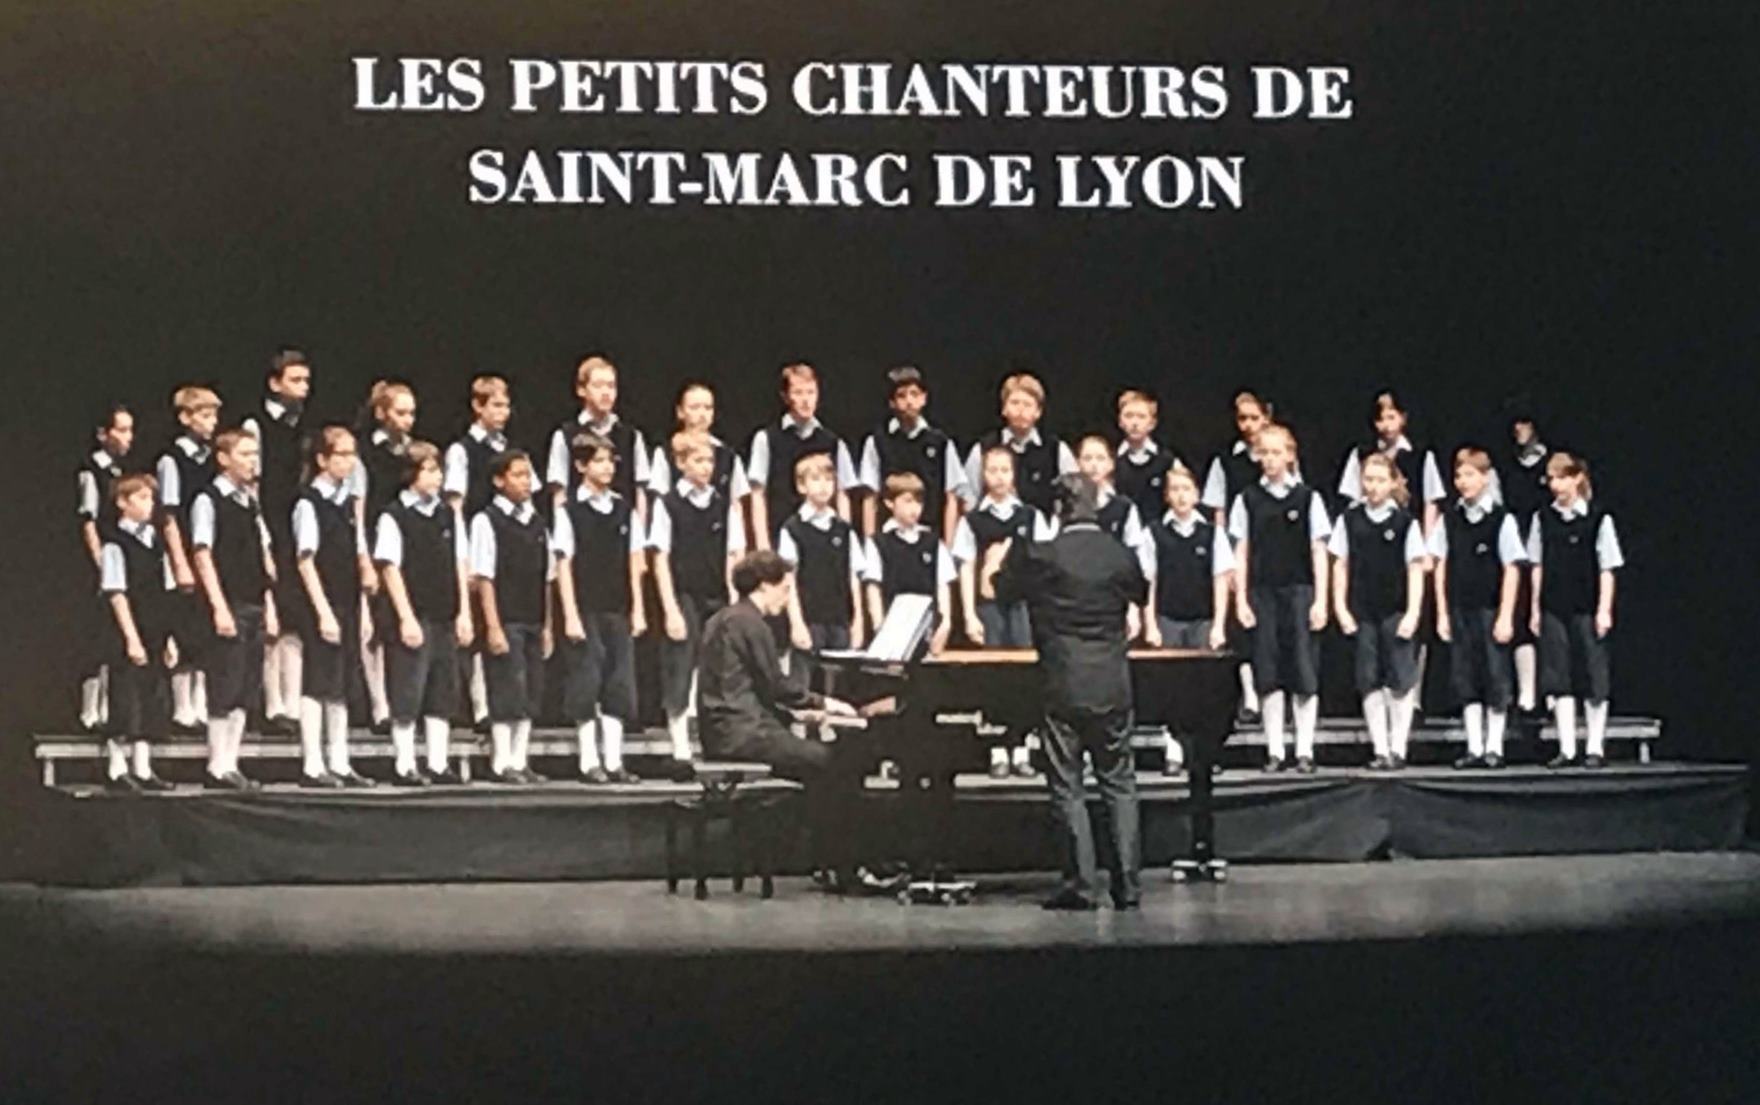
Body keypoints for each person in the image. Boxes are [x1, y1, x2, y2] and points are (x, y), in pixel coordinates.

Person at [992, 473, 1148, 911]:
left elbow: (1003, 594)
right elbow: (1140, 593)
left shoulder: (1041, 554)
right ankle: (1128, 886)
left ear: (1059, 508)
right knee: (1120, 783)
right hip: (1112, 682)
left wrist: (1000, 562)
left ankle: (1080, 885)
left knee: (1068, 785)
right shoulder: (1120, 554)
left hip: (1062, 683)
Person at [696, 550, 872, 891]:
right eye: (785, 588)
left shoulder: (721, 619)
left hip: (725, 730)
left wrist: (797, 714)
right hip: (745, 733)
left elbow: (746, 686)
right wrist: (826, 702)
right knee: (835, 764)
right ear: (764, 585)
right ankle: (846, 866)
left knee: (821, 766)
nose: (787, 597)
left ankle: (829, 862)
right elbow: (775, 685)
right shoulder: (750, 623)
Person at [1229, 423, 1330, 773]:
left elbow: (1319, 550)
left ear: (1290, 455)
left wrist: (1321, 600)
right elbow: (1241, 550)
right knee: (1268, 673)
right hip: (1262, 593)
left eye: (1277, 452)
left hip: (1300, 591)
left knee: (1303, 673)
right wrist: (1241, 599)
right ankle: (1274, 750)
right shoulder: (1247, 499)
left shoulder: (1307, 498)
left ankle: (1304, 750)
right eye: (1265, 453)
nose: (1271, 459)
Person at [375, 442, 474, 785]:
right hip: (414, 614)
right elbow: (390, 568)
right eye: (430, 470)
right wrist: (405, 616)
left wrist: (464, 611)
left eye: (439, 470)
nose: (437, 477)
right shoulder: (394, 515)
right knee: (408, 689)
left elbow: (459, 562)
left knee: (442, 691)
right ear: (410, 474)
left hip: (444, 612)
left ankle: (437, 763)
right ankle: (404, 764)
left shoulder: (448, 514)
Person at [552, 431, 648, 783]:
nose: (607, 468)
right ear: (581, 466)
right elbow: (563, 564)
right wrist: (570, 613)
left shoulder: (624, 509)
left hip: (617, 606)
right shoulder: (570, 512)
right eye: (599, 461)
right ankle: (588, 760)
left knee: (618, 683)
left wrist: (638, 607)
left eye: (611, 461)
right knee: (587, 680)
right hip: (586, 607)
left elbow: (635, 560)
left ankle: (614, 760)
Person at [950, 444, 1051, 777]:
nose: (999, 477)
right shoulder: (973, 521)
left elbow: (1044, 564)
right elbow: (965, 567)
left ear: (1014, 474)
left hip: (1023, 607)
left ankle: (1021, 749)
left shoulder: (1030, 517)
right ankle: (997, 751)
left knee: (1024, 677)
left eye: (1005, 470)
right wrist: (969, 614)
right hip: (989, 607)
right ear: (983, 475)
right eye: (992, 470)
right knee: (993, 678)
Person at [649, 432, 746, 768]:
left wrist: (734, 598)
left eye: (709, 461)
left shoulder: (722, 505)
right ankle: (680, 747)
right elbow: (660, 557)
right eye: (698, 460)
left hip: (715, 595)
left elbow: (734, 553)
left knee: (715, 669)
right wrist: (670, 608)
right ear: (681, 463)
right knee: (680, 666)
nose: (706, 467)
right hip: (684, 594)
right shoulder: (668, 505)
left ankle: (711, 740)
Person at [189, 428, 279, 791]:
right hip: (229, 602)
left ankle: (231, 762)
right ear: (223, 458)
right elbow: (203, 553)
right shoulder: (209, 500)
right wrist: (218, 606)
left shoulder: (250, 502)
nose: (252, 461)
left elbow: (262, 559)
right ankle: (216, 766)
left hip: (253, 602)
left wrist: (269, 605)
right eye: (244, 454)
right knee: (225, 683)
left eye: (255, 454)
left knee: (245, 686)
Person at [1329, 453, 1427, 770]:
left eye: (1380, 480)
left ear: (1393, 483)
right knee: (1368, 680)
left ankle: (1399, 748)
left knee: (1399, 680)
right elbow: (1340, 565)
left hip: (1395, 610)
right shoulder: (1349, 520)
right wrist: (1341, 607)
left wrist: (1413, 612)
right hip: (1362, 611)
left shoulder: (1405, 523)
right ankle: (1380, 748)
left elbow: (1415, 569)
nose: (1373, 486)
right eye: (1368, 479)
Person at [290, 425, 374, 788]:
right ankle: (312, 763)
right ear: (323, 460)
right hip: (320, 603)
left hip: (346, 599)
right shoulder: (309, 503)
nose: (349, 462)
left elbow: (356, 549)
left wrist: (362, 601)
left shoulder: (347, 502)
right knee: (318, 681)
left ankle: (339, 761)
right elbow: (305, 560)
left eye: (353, 454)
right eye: (342, 454)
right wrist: (323, 612)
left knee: (340, 684)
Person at [1432, 448, 1526, 769]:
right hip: (1460, 608)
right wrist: (1442, 612)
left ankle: (1494, 747)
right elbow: (1441, 564)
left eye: (1470, 475)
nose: (1463, 481)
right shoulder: (1449, 519)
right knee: (1465, 678)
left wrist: (1505, 614)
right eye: (1459, 475)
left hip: (1490, 609)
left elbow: (1512, 568)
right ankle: (1474, 746)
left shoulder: (1501, 519)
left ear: (1485, 478)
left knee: (1495, 676)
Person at [1528, 452, 1623, 768]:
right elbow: (1537, 565)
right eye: (1551, 478)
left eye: (1561, 478)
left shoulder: (1597, 518)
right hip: (1554, 607)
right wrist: (1535, 608)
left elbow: (1607, 567)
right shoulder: (1543, 518)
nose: (1555, 485)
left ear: (1577, 478)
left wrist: (1604, 609)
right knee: (1559, 678)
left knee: (1593, 677)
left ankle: (1595, 746)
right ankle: (1567, 748)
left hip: (1586, 607)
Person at [1141, 461, 1233, 774]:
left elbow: (1221, 580)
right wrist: (1151, 624)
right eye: (1175, 490)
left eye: (1186, 489)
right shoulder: (1154, 533)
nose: (1181, 496)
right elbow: (1149, 581)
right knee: (1170, 688)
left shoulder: (1212, 534)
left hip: (1202, 620)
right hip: (1168, 619)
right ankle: (1174, 753)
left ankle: (1205, 753)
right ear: (1167, 496)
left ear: (1196, 495)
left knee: (1204, 689)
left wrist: (1219, 625)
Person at [469, 449, 554, 784]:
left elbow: (547, 577)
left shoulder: (537, 522)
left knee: (530, 691)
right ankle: (501, 761)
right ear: (499, 480)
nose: (525, 482)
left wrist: (547, 625)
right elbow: (484, 576)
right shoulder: (487, 520)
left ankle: (520, 759)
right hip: (506, 617)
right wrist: (493, 626)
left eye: (528, 475)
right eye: (517, 475)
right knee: (507, 690)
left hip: (533, 616)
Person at [242, 348, 313, 738]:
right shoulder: (257, 426)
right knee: (273, 616)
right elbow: (253, 483)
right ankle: (272, 704)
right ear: (274, 383)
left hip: (296, 526)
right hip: (269, 524)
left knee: (296, 616)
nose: (303, 388)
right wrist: (261, 533)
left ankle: (293, 702)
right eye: (295, 380)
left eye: (306, 381)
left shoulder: (303, 427)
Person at [97, 473, 177, 791]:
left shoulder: (155, 541)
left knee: (150, 696)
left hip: (154, 626)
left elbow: (165, 590)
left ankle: (143, 768)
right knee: (125, 697)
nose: (149, 504)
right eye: (141, 498)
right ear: (122, 502)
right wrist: (131, 638)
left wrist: (168, 638)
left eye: (151, 498)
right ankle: (117, 768)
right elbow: (116, 592)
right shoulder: (115, 543)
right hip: (127, 629)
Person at [445, 374, 513, 728]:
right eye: (496, 405)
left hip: (505, 542)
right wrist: (463, 553)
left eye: (506, 405)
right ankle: (477, 704)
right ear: (478, 406)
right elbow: (456, 505)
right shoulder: (462, 451)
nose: (503, 412)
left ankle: (496, 700)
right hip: (474, 541)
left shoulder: (506, 448)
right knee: (471, 625)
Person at [156, 385, 221, 734]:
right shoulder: (172, 460)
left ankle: (200, 703)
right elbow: (168, 514)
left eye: (214, 416)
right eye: (205, 415)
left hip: (205, 549)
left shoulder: (212, 458)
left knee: (203, 629)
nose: (212, 422)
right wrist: (179, 561)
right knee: (183, 628)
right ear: (185, 418)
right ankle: (182, 707)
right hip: (180, 552)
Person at [350, 379, 415, 733]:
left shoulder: (414, 454)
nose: (407, 420)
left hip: (410, 544)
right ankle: (379, 704)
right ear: (382, 413)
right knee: (373, 627)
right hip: (377, 542)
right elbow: (359, 508)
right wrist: (365, 558)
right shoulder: (365, 455)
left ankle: (406, 697)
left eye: (411, 414)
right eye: (400, 413)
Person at [747, 361, 858, 548]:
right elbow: (758, 494)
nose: (806, 400)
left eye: (811, 392)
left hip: (824, 538)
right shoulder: (766, 439)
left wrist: (844, 539)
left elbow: (842, 494)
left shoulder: (833, 442)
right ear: (785, 396)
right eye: (798, 393)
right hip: (780, 534)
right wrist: (763, 545)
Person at [76, 402, 136, 734]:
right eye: (122, 430)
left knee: (113, 637)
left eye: (130, 430)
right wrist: (100, 563)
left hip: (120, 561)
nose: (129, 437)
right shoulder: (91, 471)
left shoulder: (121, 473)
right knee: (95, 636)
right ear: (103, 434)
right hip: (99, 565)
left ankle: (109, 707)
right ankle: (90, 709)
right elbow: (89, 520)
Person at [857, 365, 965, 542]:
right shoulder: (877, 442)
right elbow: (870, 496)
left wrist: (948, 545)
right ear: (892, 402)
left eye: (914, 394)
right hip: (888, 536)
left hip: (930, 535)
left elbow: (951, 497)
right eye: (901, 395)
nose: (909, 401)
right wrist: (870, 543)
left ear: (924, 398)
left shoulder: (941, 443)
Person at [776, 453, 866, 653]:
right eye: (816, 479)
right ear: (801, 486)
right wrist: (796, 623)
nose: (824, 486)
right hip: (809, 620)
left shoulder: (844, 530)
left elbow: (853, 577)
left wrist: (858, 621)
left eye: (829, 479)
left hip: (840, 620)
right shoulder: (793, 529)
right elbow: (789, 579)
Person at [861, 472, 956, 655]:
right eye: (908, 501)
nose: (915, 508)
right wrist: (879, 627)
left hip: (927, 629)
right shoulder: (879, 543)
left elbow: (943, 585)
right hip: (892, 629)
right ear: (889, 503)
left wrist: (945, 624)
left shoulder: (933, 543)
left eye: (919, 502)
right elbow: (873, 587)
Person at [546, 354, 650, 518]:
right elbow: (559, 492)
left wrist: (639, 530)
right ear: (581, 390)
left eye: (611, 386)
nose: (606, 392)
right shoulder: (564, 436)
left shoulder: (631, 436)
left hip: (621, 525)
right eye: (598, 386)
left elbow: (640, 492)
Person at [962, 372, 1077, 519]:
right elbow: (969, 498)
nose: (1021, 410)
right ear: (1004, 408)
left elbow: (1075, 494)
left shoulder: (1056, 450)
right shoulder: (983, 449)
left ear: (1038, 412)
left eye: (1027, 404)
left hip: (1043, 530)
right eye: (1015, 403)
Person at [646, 380, 752, 509]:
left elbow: (736, 503)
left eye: (708, 408)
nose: (702, 414)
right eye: (694, 407)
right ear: (680, 411)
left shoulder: (728, 456)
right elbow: (659, 499)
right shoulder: (665, 453)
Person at [1114, 389, 1181, 523]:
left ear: (1152, 423)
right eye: (1129, 416)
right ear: (1120, 421)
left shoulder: (1167, 461)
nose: (1135, 423)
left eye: (1141, 416)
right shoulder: (1111, 460)